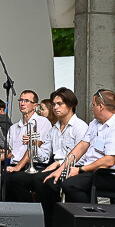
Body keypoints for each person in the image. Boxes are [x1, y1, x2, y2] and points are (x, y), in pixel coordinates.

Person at [38, 89, 115, 227]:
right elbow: (81, 147)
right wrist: (61, 168)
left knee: (71, 184)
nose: (91, 108)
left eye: (93, 105)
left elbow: (109, 161)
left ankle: (92, 223)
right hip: (93, 171)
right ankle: (54, 226)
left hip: (113, 175)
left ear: (101, 107)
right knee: (51, 182)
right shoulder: (95, 124)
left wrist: (80, 170)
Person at [7, 87, 87, 215]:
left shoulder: (80, 126)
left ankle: (49, 219)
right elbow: (44, 155)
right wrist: (34, 145)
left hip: (72, 169)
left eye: (59, 104)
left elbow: (82, 157)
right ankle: (31, 216)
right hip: (54, 167)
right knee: (16, 179)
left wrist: (59, 163)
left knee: (40, 180)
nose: (55, 107)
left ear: (71, 105)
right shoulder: (54, 129)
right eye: (54, 104)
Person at [0, 89, 51, 200]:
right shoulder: (14, 127)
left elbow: (34, 148)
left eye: (27, 101)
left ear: (35, 105)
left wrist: (17, 167)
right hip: (15, 165)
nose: (22, 103)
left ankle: (18, 207)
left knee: (10, 180)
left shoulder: (42, 122)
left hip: (32, 166)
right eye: (21, 100)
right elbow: (8, 152)